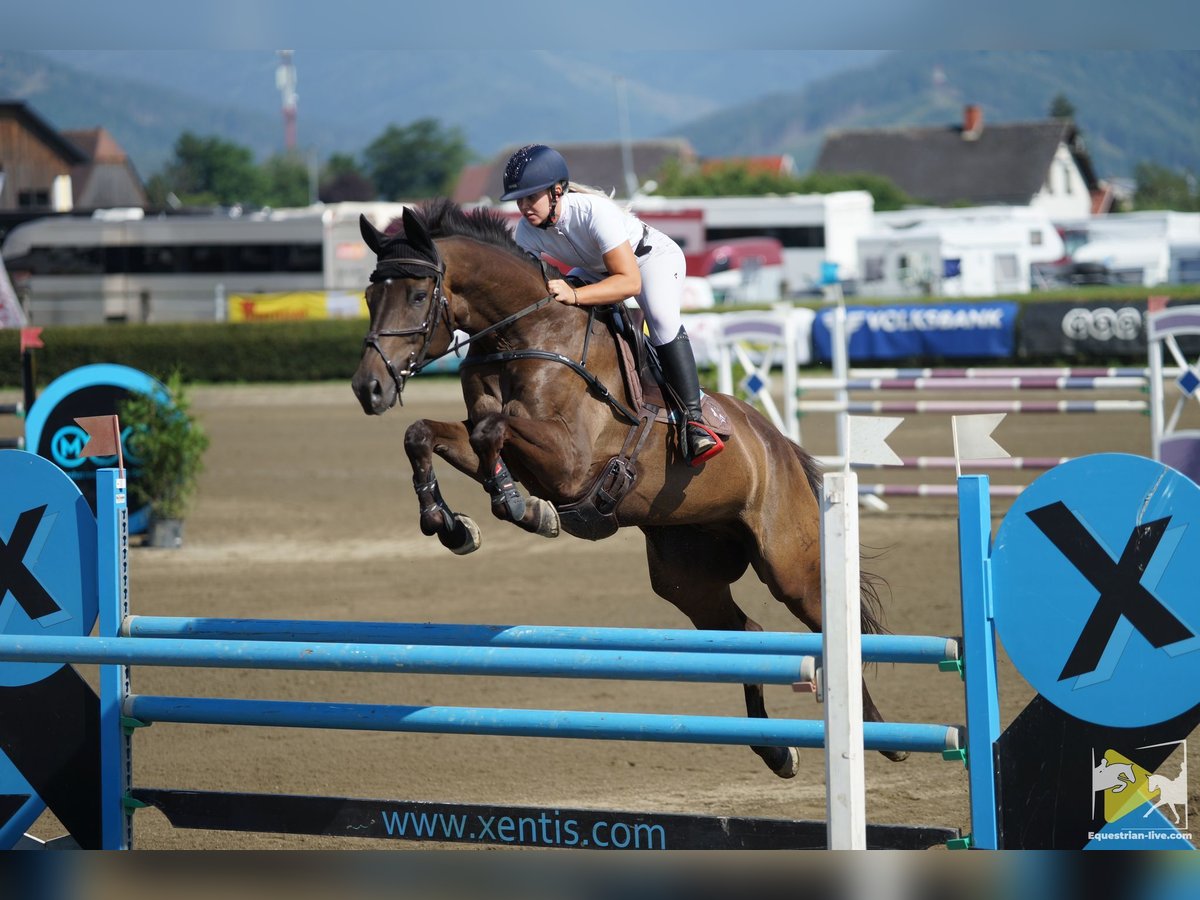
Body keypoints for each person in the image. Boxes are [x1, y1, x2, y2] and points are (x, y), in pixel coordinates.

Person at [499, 144, 723, 467]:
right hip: (596, 270)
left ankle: (694, 419)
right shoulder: (526, 231)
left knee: (660, 319)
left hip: (650, 260)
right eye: (518, 200)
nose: (523, 207)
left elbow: (629, 283)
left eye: (530, 198)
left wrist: (575, 295)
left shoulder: (592, 212)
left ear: (557, 191)